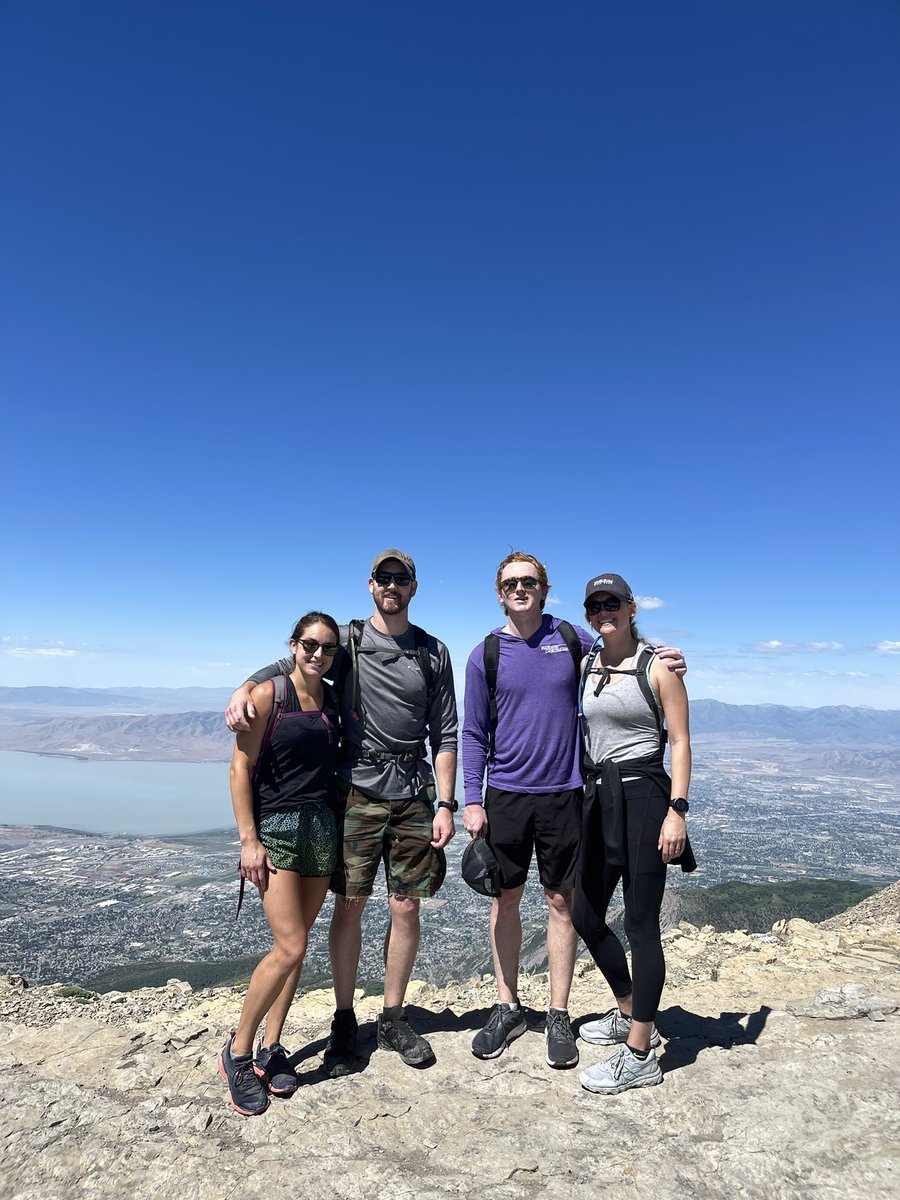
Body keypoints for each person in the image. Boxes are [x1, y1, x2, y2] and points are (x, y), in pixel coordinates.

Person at [225, 550, 458, 1072]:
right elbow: (298, 660)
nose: (392, 586)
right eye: (384, 578)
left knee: (406, 907)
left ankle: (394, 1017)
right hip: (354, 789)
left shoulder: (432, 652)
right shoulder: (348, 641)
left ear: (415, 587)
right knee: (350, 905)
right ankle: (346, 1018)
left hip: (413, 790)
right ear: (370, 585)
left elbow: (445, 734)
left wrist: (446, 802)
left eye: (402, 579)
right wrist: (245, 685)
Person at [462, 552, 685, 1071]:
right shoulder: (485, 654)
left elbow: (622, 653)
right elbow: (473, 733)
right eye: (511, 582)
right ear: (500, 592)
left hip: (566, 794)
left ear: (545, 588)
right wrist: (473, 799)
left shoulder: (570, 641)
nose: (520, 588)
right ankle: (508, 1005)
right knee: (506, 901)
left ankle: (558, 1012)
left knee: (563, 903)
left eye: (529, 581)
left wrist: (664, 657)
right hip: (507, 795)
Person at [573, 572, 693, 1096]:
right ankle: (630, 1008)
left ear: (631, 606)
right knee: (584, 912)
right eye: (595, 604)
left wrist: (677, 812)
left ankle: (640, 1053)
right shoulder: (586, 664)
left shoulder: (659, 668)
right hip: (599, 797)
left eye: (613, 602)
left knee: (642, 923)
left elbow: (682, 743)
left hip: (645, 794)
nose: (605, 611)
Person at [219, 612, 342, 1116]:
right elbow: (238, 767)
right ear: (293, 645)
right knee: (290, 946)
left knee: (298, 945)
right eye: (309, 645)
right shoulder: (271, 695)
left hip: (322, 827)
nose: (318, 654)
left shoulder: (334, 698)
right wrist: (249, 840)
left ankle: (272, 1047)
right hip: (277, 828)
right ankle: (238, 1052)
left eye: (328, 647)